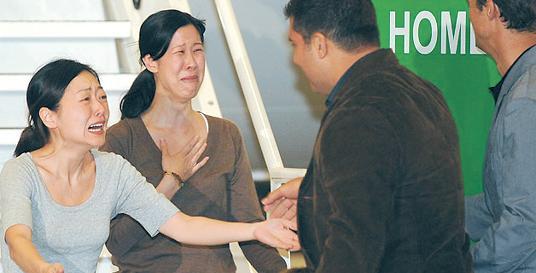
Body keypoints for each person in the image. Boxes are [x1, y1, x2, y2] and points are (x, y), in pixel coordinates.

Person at [0, 59, 299, 273]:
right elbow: (17, 239)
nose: (100, 108)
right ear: (49, 117)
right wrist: (40, 268)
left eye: (102, 97)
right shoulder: (21, 172)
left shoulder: (112, 170)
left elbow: (182, 225)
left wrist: (256, 230)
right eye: (85, 100)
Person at [261, 0, 473, 272]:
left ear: (319, 45)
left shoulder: (358, 112)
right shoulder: (422, 92)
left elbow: (353, 246)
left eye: (295, 45)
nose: (295, 59)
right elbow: (400, 192)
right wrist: (316, 191)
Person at [100, 9, 287, 273]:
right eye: (179, 52)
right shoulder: (120, 139)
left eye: (197, 50)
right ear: (151, 62)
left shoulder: (225, 134)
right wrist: (172, 180)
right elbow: (117, 241)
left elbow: (250, 227)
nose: (191, 63)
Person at [464, 0, 536, 272]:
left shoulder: (526, 100)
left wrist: (465, 266)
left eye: (470, 6)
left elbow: (525, 222)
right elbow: (504, 203)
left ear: (490, 9)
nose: (468, 18)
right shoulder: (523, 86)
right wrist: (440, 213)